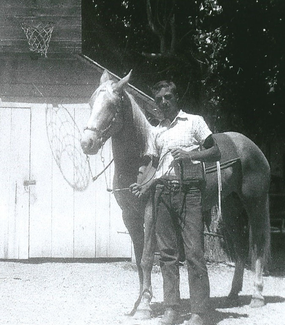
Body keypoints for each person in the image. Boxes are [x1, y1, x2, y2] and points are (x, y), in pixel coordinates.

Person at [130, 80, 221, 325]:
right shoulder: (156, 131)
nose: (163, 102)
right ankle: (171, 309)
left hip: (190, 192)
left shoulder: (194, 122)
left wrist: (191, 155)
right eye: (159, 99)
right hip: (162, 194)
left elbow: (215, 152)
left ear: (176, 97)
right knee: (167, 255)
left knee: (193, 253)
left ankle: (199, 313)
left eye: (168, 97)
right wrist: (143, 183)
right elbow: (153, 164)